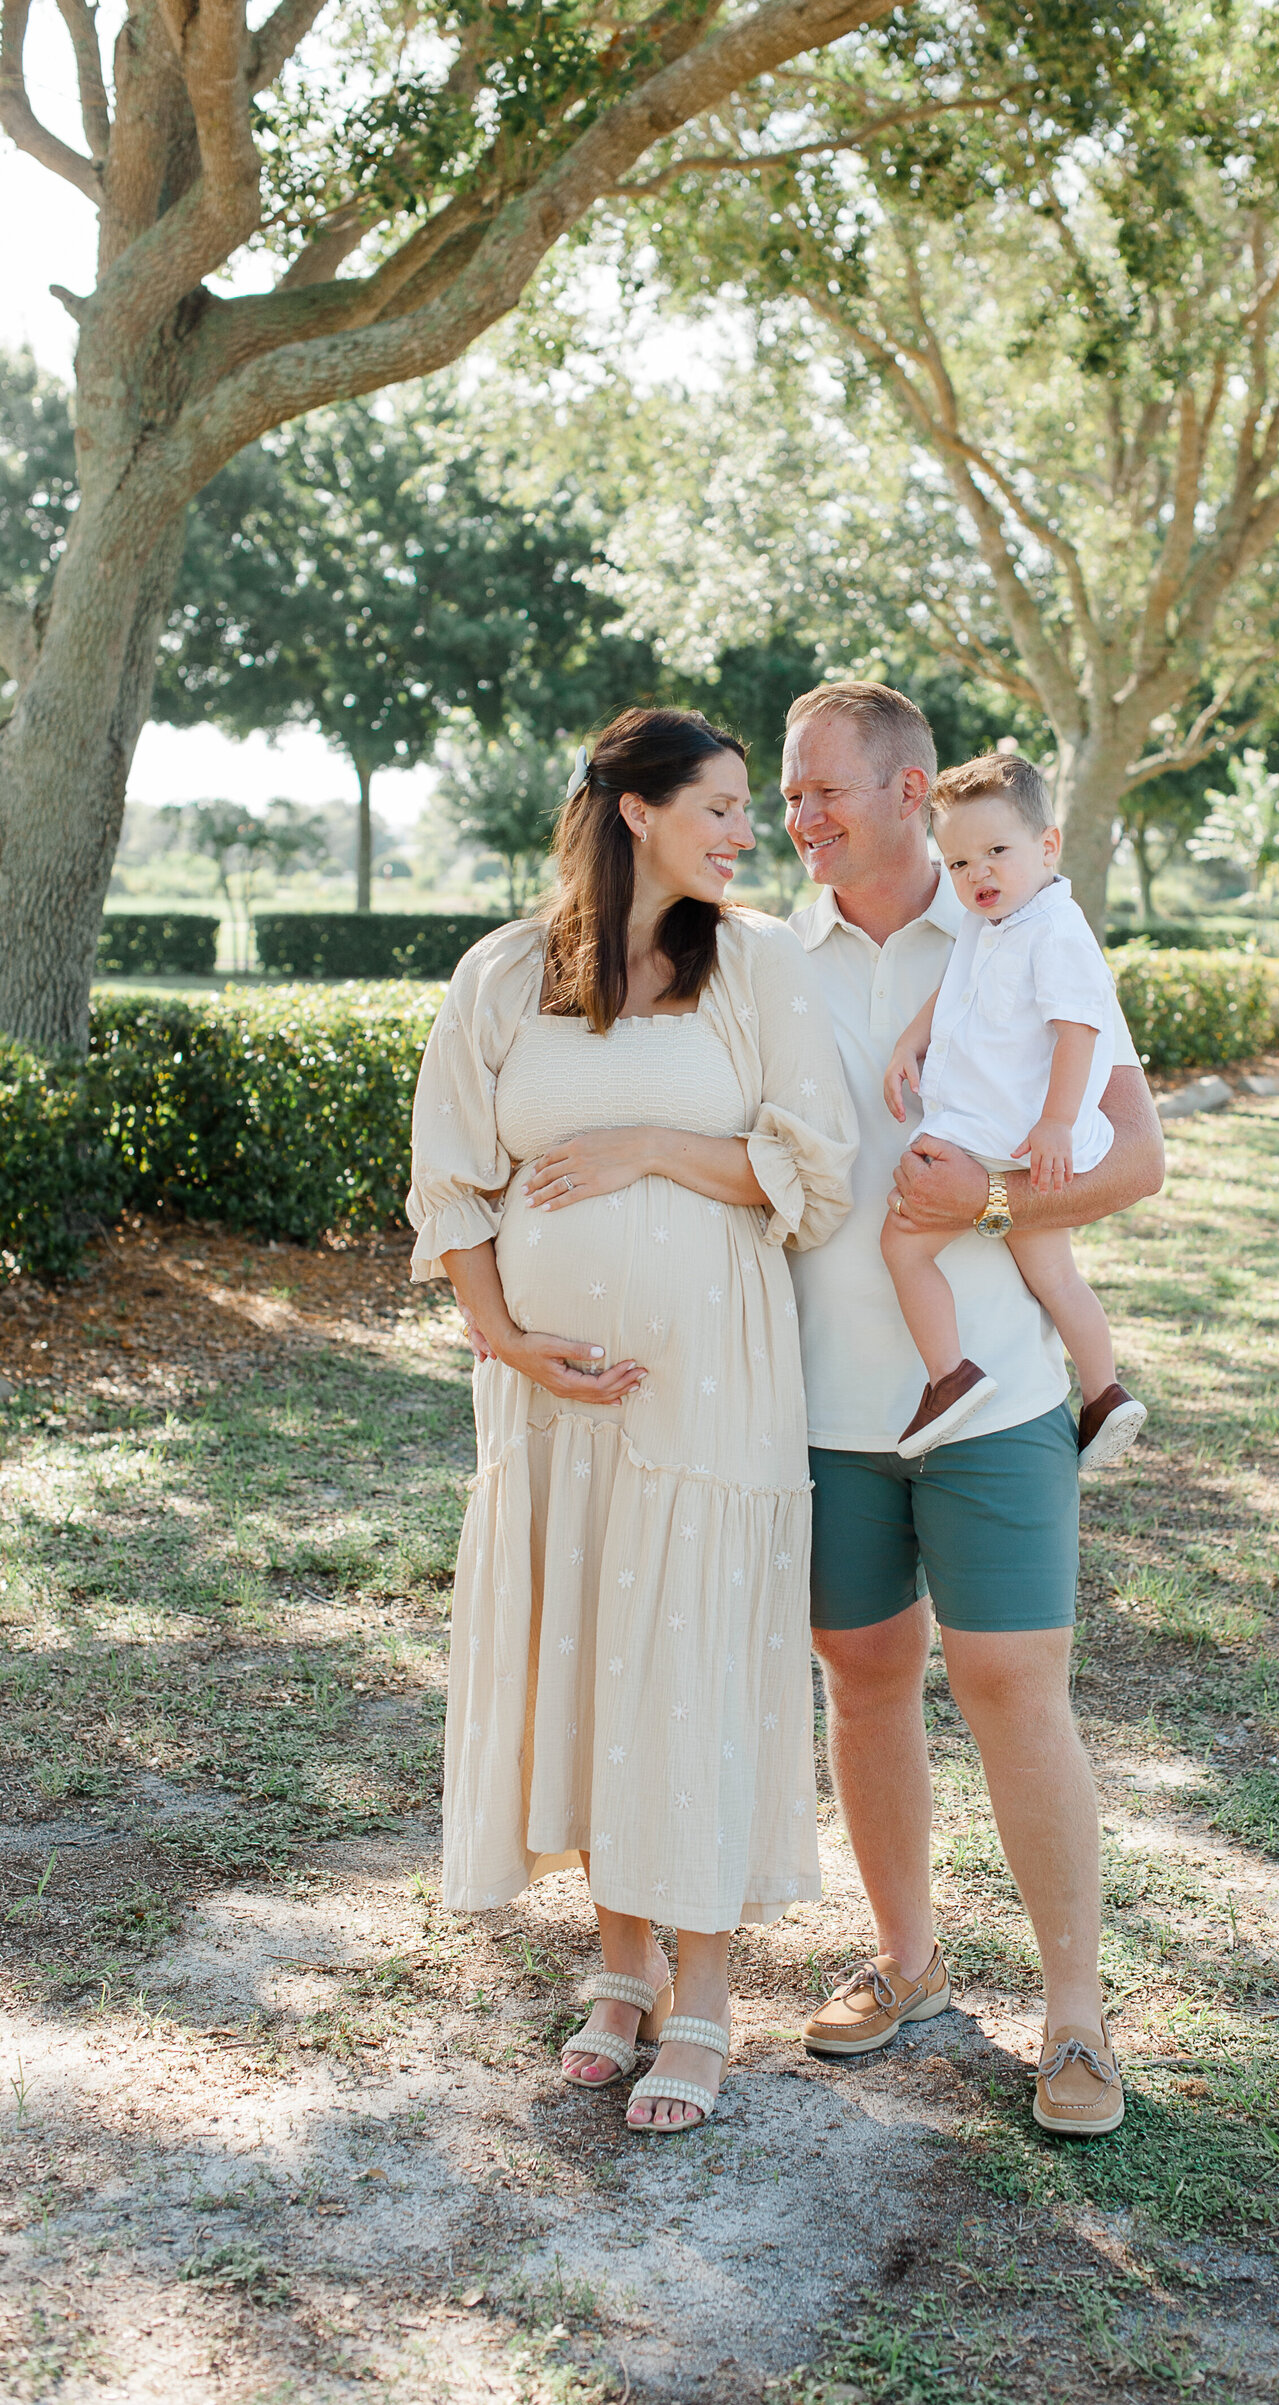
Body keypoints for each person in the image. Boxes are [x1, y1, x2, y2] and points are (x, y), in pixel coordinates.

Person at [407, 707, 857, 2135]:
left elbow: (814, 1169)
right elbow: (451, 1188)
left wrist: (652, 1148)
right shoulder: (501, 974)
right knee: (597, 1655)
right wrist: (514, 1345)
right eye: (721, 807)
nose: (747, 833)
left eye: (748, 809)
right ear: (635, 811)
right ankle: (620, 1970)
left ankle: (708, 1985)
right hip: (549, 1405)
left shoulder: (760, 963)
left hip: (713, 1390)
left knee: (697, 1656)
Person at [781, 682, 1164, 2138]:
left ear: (910, 789)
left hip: (995, 1396)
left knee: (1014, 1690)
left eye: (826, 791)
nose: (802, 818)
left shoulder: (1019, 929)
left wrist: (999, 1197)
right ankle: (908, 1963)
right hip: (825, 1403)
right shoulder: (768, 963)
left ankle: (1076, 2017)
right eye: (793, 796)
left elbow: (1135, 1161)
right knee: (864, 1680)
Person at [880, 749, 1146, 1467]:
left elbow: (1078, 1027)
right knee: (1051, 1272)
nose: (979, 875)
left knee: (902, 1245)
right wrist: (912, 1040)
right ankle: (1103, 1395)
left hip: (1007, 1137)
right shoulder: (985, 926)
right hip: (998, 1146)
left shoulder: (1056, 929)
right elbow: (954, 990)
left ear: (1048, 845)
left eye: (997, 851)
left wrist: (1058, 1119)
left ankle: (950, 1376)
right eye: (959, 863)